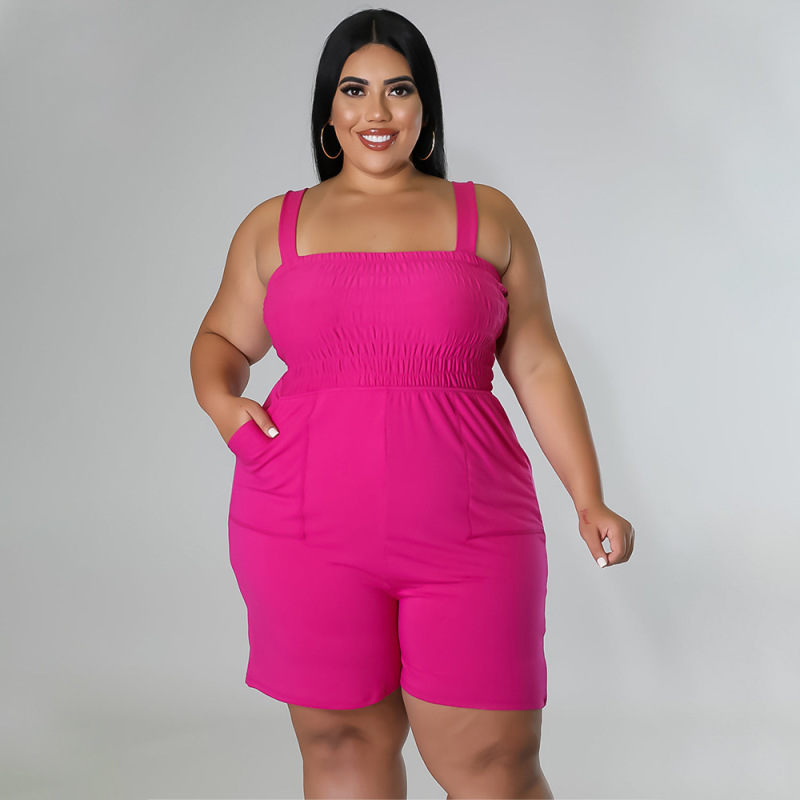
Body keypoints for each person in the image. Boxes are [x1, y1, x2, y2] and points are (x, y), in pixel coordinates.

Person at [190, 7, 635, 799]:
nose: (377, 110)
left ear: (425, 107)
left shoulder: (486, 216)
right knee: (341, 751)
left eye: (399, 90)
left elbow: (536, 361)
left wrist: (588, 497)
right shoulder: (274, 226)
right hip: (302, 528)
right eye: (354, 90)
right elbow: (221, 340)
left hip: (471, 531)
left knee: (496, 766)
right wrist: (223, 405)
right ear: (328, 111)